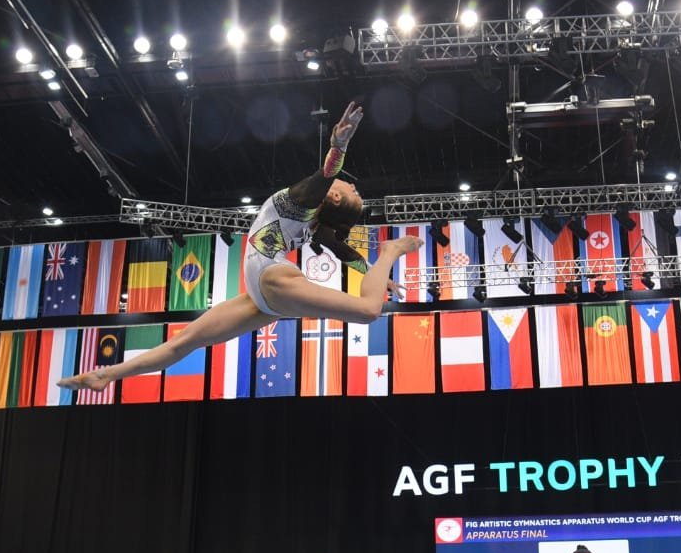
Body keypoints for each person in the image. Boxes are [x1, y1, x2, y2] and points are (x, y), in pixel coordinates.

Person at [58, 102, 421, 394]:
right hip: (262, 294)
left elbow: (326, 174)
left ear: (335, 196)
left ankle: (391, 249)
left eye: (350, 190)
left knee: (369, 309)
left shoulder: (306, 202)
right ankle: (107, 375)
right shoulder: (312, 220)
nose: (351, 186)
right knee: (181, 344)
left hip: (270, 282)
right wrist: (365, 268)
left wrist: (339, 146)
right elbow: (342, 250)